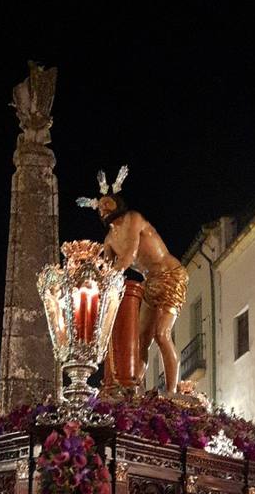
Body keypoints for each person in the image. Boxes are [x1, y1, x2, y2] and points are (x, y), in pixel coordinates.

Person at [78, 166, 188, 392]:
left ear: (117, 203)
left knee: (162, 334)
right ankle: (132, 388)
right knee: (140, 341)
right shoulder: (109, 239)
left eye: (107, 203)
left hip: (170, 275)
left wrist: (102, 281)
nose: (103, 208)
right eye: (100, 206)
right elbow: (110, 270)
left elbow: (128, 257)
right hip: (149, 283)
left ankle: (172, 392)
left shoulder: (133, 218)